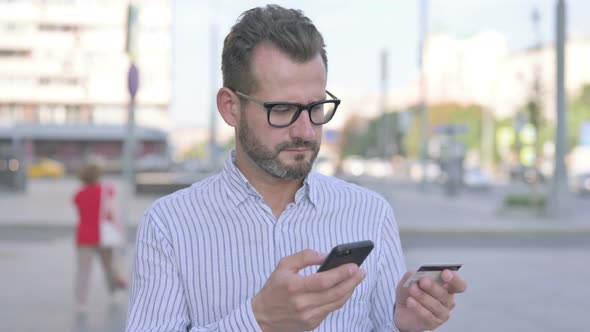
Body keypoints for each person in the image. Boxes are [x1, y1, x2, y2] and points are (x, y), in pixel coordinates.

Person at [126, 5, 466, 331]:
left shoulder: (370, 213)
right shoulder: (169, 226)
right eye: (283, 108)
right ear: (231, 108)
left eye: (316, 107)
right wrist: (259, 322)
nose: (305, 131)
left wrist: (403, 325)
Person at [73, 162, 127, 313]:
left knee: (83, 271)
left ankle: (81, 302)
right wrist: (119, 231)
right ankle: (114, 293)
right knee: (108, 267)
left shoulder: (78, 194)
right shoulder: (107, 190)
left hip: (84, 236)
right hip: (105, 236)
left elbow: (81, 213)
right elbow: (112, 212)